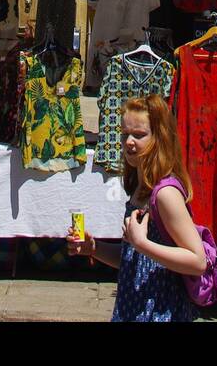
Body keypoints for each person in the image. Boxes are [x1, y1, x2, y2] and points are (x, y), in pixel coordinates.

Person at [67, 92, 207, 322]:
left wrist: (142, 243)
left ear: (159, 137)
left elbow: (197, 261)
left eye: (139, 135)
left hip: (160, 312)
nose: (129, 142)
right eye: (125, 135)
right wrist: (94, 248)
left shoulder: (165, 194)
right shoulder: (140, 188)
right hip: (134, 308)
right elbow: (135, 260)